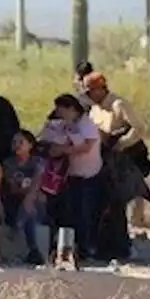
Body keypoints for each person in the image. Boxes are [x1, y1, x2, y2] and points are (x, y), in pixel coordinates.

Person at [82, 72, 150, 258]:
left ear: (100, 89)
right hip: (102, 160)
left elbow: (139, 127)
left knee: (116, 204)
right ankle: (104, 246)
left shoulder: (118, 104)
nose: (88, 96)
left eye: (91, 92)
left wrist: (122, 144)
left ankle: (121, 247)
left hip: (121, 161)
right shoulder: (94, 109)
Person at [45, 93, 102, 266]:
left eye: (61, 109)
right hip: (71, 175)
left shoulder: (86, 124)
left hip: (88, 175)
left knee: (84, 213)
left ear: (71, 109)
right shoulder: (64, 125)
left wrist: (63, 150)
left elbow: (86, 146)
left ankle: (85, 249)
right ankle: (68, 247)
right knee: (69, 212)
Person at [3, 129, 46, 265]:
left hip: (36, 204)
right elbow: (13, 189)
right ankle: (33, 250)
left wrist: (29, 196)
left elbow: (39, 180)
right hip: (15, 202)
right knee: (30, 209)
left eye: (21, 142)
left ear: (30, 145)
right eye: (14, 142)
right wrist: (31, 194)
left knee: (33, 205)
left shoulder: (38, 162)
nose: (17, 145)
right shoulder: (8, 164)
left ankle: (19, 230)